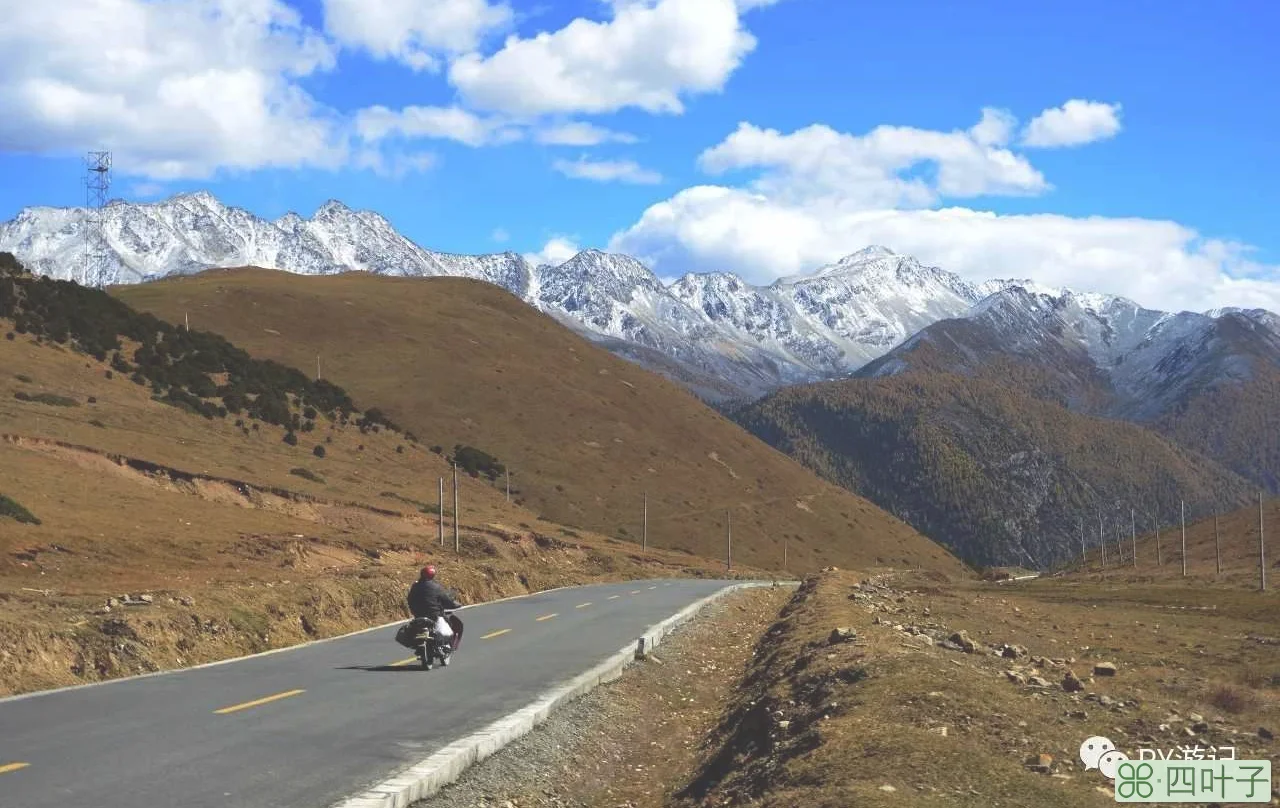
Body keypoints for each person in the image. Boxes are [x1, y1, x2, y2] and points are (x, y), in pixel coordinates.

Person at [407, 565, 461, 661]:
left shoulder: (415, 586)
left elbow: (410, 599)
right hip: (434, 614)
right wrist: (454, 605)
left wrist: (414, 610)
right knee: (448, 624)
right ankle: (445, 645)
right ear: (433, 575)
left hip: (418, 615)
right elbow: (446, 599)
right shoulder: (436, 587)